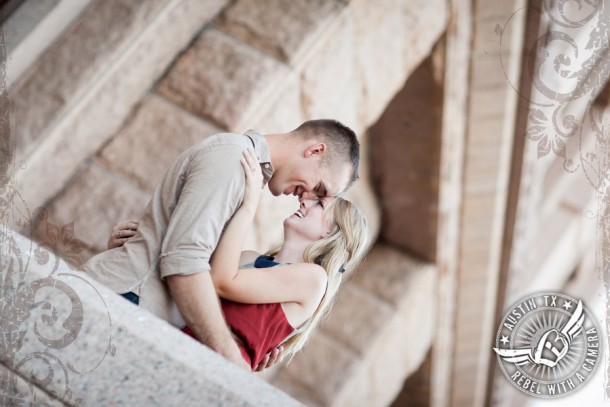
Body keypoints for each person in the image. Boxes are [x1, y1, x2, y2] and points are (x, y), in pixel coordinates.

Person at [83, 120, 360, 371]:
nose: (307, 199)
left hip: (137, 318)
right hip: (126, 307)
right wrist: (232, 359)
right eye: (319, 189)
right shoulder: (234, 160)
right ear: (315, 151)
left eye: (319, 199)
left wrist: (252, 338)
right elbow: (185, 263)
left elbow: (198, 266)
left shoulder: (244, 172)